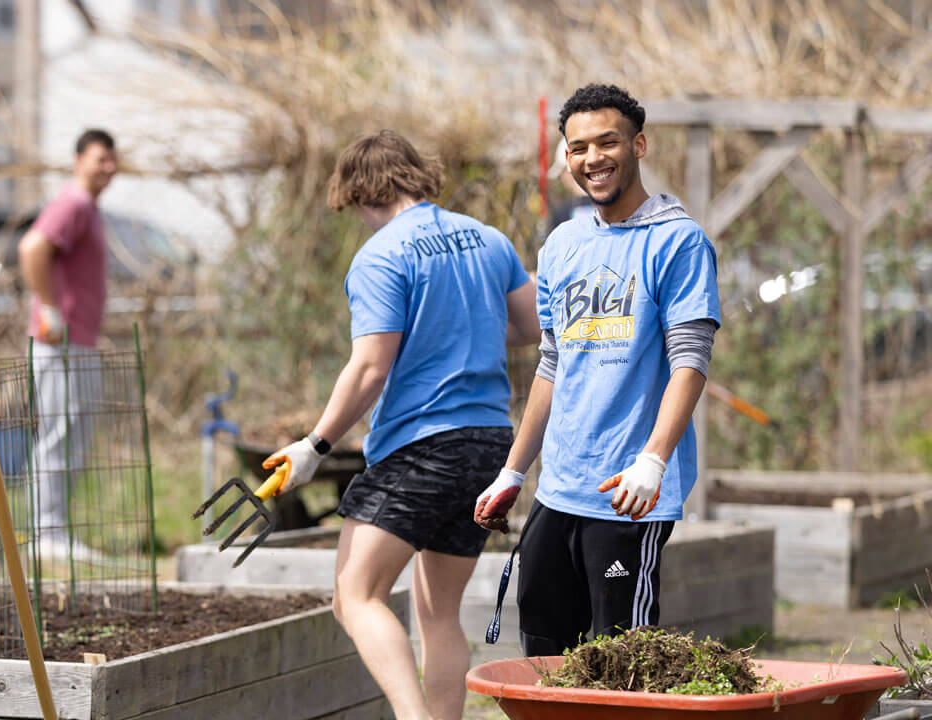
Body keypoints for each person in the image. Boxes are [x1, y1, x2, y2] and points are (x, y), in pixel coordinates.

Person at [263, 129, 540, 720]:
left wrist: (315, 444)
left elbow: (370, 367)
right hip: (490, 447)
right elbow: (530, 328)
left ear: (361, 194)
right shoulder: (488, 239)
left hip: (422, 447)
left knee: (355, 596)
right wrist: (467, 326)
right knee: (438, 612)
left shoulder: (382, 255)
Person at [474, 83, 721, 656]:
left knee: (621, 661)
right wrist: (513, 472)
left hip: (628, 495)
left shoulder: (678, 242)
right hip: (559, 490)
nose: (593, 159)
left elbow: (690, 361)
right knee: (543, 652)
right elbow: (552, 365)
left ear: (639, 145)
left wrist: (652, 461)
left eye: (607, 143)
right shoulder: (562, 244)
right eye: (578, 148)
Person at [17, 129, 118, 562]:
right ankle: (48, 535)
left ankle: (56, 531)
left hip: (79, 342)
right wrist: (50, 309)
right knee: (58, 435)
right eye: (100, 159)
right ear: (78, 162)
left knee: (72, 436)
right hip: (59, 342)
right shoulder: (73, 203)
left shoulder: (88, 207)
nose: (108, 168)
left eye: (112, 160)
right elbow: (32, 247)